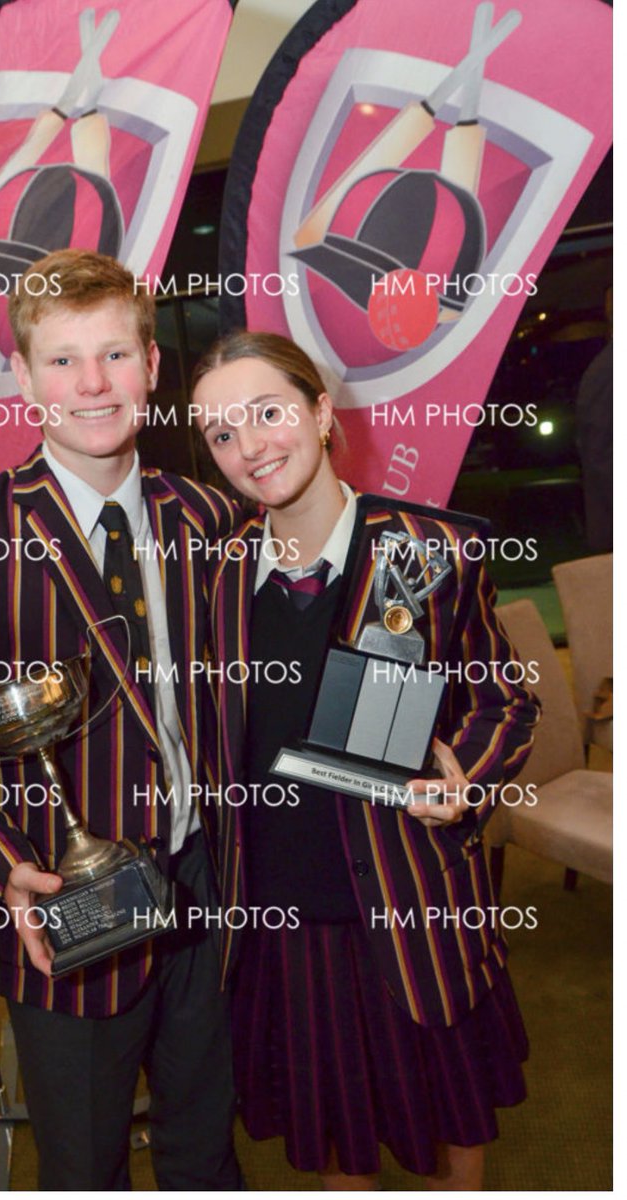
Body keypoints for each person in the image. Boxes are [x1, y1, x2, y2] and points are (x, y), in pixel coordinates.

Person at [0, 249, 243, 1191]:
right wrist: (0, 869)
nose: (93, 384)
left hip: (206, 875)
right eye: (64, 360)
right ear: (25, 377)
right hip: (61, 900)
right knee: (83, 1162)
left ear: (150, 367)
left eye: (114, 355)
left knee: (208, 1147)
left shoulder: (209, 517)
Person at [191, 331, 540, 1191]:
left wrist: (467, 781)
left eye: (268, 412)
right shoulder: (214, 580)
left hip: (411, 898)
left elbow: (506, 700)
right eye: (222, 433)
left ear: (319, 411)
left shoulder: (425, 554)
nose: (250, 446)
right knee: (337, 1135)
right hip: (284, 914)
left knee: (452, 1120)